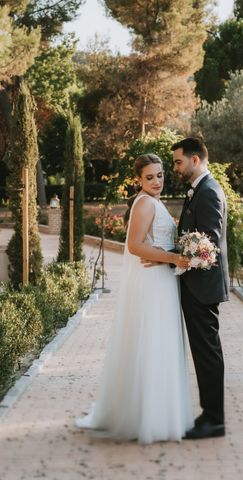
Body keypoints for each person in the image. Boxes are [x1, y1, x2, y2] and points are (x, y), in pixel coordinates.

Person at [75, 153, 193, 443]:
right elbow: (135, 246)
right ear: (139, 180)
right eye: (149, 177)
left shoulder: (154, 202)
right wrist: (174, 257)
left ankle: (159, 413)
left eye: (160, 175)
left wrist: (177, 254)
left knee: (159, 342)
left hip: (162, 280)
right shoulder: (143, 204)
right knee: (151, 340)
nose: (156, 182)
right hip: (152, 282)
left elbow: (156, 241)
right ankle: (146, 417)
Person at [172, 137, 229, 439]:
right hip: (195, 285)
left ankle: (214, 418)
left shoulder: (208, 192)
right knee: (204, 351)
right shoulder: (199, 190)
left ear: (195, 160)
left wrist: (177, 258)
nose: (175, 168)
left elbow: (209, 242)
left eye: (178, 161)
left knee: (207, 353)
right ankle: (210, 414)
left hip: (203, 287)